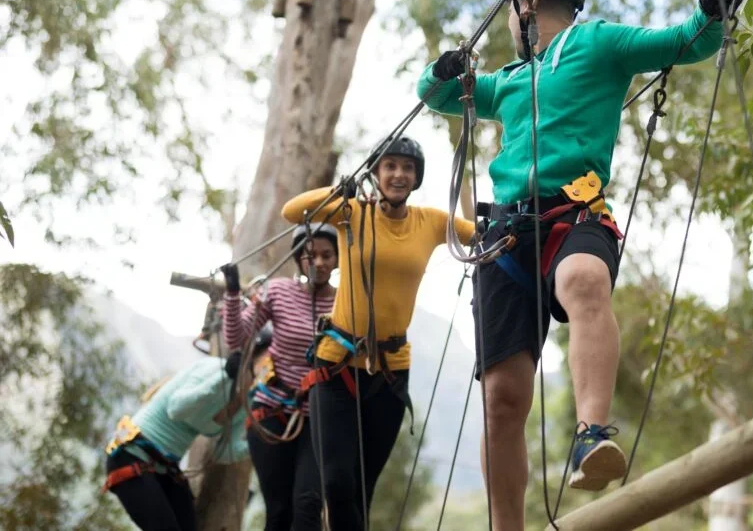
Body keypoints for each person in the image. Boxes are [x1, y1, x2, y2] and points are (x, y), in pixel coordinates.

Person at [416, 0, 741, 530]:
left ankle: (591, 435)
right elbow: (438, 96)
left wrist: (712, 17)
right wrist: (440, 71)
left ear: (527, 2)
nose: (513, 21)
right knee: (503, 399)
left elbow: (682, 43)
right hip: (505, 237)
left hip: (577, 213)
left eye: (515, 9)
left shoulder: (599, 43)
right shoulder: (510, 80)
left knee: (584, 280)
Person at [281, 135, 476, 529]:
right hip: (335, 366)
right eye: (389, 166)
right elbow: (292, 210)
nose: (399, 174)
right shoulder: (351, 212)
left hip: (389, 371)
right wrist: (340, 190)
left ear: (417, 177)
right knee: (336, 484)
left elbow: (479, 236)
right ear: (375, 173)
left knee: (362, 488)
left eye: (407, 168)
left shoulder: (431, 222)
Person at [219, 224, 339, 531]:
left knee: (308, 503)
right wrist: (233, 294)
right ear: (299, 258)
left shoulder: (345, 303)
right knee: (279, 509)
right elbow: (237, 338)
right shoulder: (278, 291)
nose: (320, 263)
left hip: (318, 417)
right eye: (311, 255)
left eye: (328, 255)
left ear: (339, 260)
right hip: (271, 410)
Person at [102, 336, 269, 531]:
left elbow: (223, 451)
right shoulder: (213, 369)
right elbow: (177, 408)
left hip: (165, 468)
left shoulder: (247, 401)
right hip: (131, 455)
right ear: (255, 354)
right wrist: (224, 378)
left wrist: (259, 443)